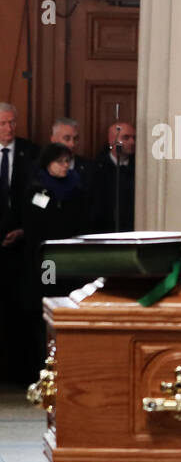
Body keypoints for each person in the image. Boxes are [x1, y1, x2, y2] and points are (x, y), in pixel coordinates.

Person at [10, 143, 93, 381]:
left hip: (72, 259)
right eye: (60, 162)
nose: (66, 167)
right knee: (48, 302)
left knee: (70, 304)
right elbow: (35, 226)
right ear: (48, 164)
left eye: (68, 162)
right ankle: (45, 366)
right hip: (48, 261)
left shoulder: (77, 188)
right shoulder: (38, 190)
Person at [0, 102, 39, 385]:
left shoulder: (31, 152)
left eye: (12, 122)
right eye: (3, 123)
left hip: (22, 245)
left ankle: (21, 372)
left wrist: (24, 229)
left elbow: (38, 197)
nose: (9, 128)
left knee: (20, 310)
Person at [91, 120, 136, 232]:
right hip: (104, 231)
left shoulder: (139, 167)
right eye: (126, 138)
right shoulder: (97, 168)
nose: (132, 142)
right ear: (112, 140)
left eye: (134, 138)